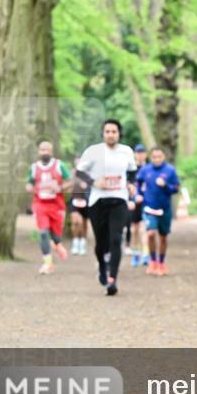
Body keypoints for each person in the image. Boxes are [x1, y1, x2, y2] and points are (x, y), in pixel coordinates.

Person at [76, 119, 138, 296]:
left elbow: (132, 171)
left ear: (119, 134)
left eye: (114, 131)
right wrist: (94, 182)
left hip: (119, 200)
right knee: (101, 243)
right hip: (98, 201)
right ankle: (102, 266)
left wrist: (131, 184)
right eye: (107, 131)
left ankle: (113, 279)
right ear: (103, 134)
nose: (111, 135)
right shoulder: (93, 151)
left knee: (116, 239)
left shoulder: (126, 151)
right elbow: (80, 172)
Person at [26, 141, 72, 274]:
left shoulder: (59, 165)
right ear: (38, 152)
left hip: (57, 206)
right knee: (43, 232)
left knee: (56, 236)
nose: (44, 152)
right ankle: (47, 263)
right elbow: (29, 183)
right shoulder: (34, 167)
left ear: (51, 152)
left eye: (47, 150)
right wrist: (29, 188)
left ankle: (57, 244)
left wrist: (60, 188)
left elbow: (70, 182)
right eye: (42, 150)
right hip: (40, 204)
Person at [135, 147, 180, 276]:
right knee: (150, 234)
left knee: (163, 237)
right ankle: (153, 261)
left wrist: (166, 185)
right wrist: (138, 194)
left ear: (163, 157)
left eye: (159, 156)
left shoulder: (170, 170)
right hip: (149, 207)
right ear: (150, 157)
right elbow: (138, 183)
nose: (157, 159)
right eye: (154, 157)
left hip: (164, 208)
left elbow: (176, 188)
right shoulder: (145, 170)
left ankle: (161, 262)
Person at [125, 143, 148, 268]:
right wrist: (132, 198)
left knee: (144, 229)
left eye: (142, 152)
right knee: (134, 230)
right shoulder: (130, 170)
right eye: (138, 153)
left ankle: (145, 253)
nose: (140, 155)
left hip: (146, 202)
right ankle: (136, 253)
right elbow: (126, 185)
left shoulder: (149, 168)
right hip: (133, 203)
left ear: (145, 154)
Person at [68, 155, 90, 256]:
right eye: (77, 162)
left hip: (85, 201)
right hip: (74, 200)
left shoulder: (88, 174)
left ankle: (82, 244)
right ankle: (75, 243)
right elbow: (68, 184)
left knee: (84, 224)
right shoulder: (72, 173)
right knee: (76, 222)